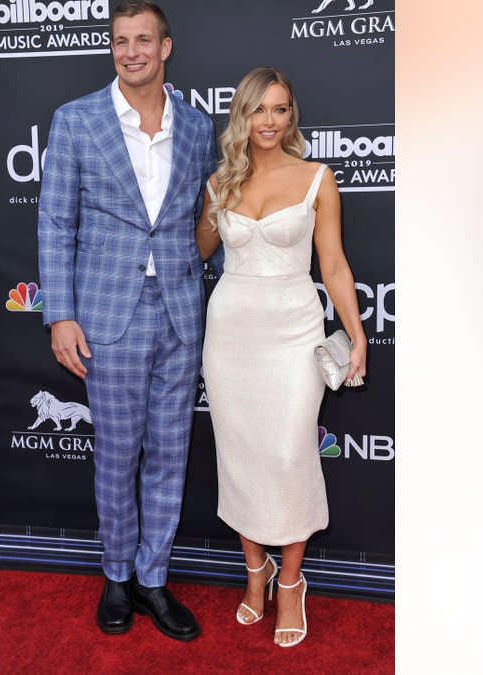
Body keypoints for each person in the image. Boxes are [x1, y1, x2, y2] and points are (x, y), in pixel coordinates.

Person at [37, 1, 216, 642]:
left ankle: (153, 578)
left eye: (144, 40)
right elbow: (56, 222)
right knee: (116, 455)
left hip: (178, 312)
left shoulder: (197, 129)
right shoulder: (77, 121)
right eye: (120, 40)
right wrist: (59, 314)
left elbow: (205, 219)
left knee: (171, 452)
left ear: (166, 48)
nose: (131, 51)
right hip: (107, 314)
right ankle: (116, 575)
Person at [196, 67, 368, 647]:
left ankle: (291, 582)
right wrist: (202, 205)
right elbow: (197, 249)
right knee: (240, 455)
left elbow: (335, 266)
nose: (269, 121)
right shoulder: (222, 181)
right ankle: (255, 572)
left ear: (292, 117)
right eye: (258, 110)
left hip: (293, 333)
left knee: (291, 453)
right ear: (240, 116)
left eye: (280, 110)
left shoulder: (318, 179)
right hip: (230, 335)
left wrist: (356, 332)